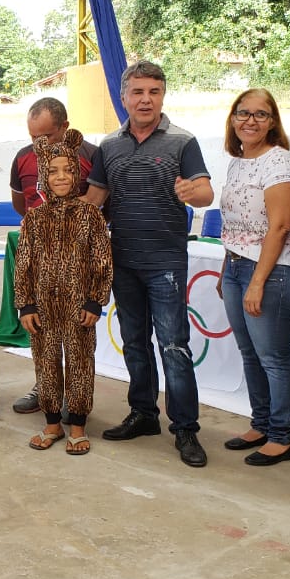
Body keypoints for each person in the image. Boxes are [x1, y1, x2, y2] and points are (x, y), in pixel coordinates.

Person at [85, 61, 214, 467]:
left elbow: (206, 193)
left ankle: (186, 429)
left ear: (163, 96)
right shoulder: (108, 146)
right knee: (135, 344)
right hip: (122, 262)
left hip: (166, 264)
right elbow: (94, 201)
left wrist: (191, 192)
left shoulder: (183, 141)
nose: (145, 99)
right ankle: (143, 414)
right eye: (137, 92)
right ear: (123, 97)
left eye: (153, 92)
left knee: (174, 346)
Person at [216, 89, 290, 466]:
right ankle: (262, 423)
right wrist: (227, 268)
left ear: (273, 122)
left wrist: (257, 281)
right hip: (238, 266)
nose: (250, 121)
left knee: (273, 355)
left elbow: (281, 225)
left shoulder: (279, 161)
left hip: (272, 270)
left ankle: (284, 436)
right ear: (233, 119)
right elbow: (235, 223)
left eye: (261, 115)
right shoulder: (239, 160)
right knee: (250, 353)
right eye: (243, 113)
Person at [15, 131, 113, 455]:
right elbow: (24, 263)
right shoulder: (33, 219)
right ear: (44, 174)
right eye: (53, 171)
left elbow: (102, 260)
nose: (61, 177)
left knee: (80, 362)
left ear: (77, 173)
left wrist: (95, 300)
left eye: (67, 170)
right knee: (45, 362)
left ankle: (78, 425)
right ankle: (53, 422)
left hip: (78, 306)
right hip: (42, 306)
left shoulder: (91, 216)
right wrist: (26, 304)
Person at [7, 97, 99, 415]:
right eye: (33, 137)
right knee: (44, 346)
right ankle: (44, 391)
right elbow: (22, 204)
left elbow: (100, 203)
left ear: (65, 128)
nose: (38, 144)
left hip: (76, 270)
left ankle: (75, 409)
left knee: (78, 349)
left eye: (46, 136)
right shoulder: (22, 158)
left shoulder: (91, 156)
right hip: (42, 268)